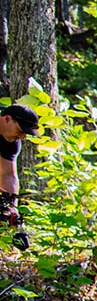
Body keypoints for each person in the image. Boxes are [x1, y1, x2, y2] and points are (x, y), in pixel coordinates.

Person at [0, 104, 39, 245]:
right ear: (7, 119)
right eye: (20, 130)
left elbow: (8, 175)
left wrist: (10, 208)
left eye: (25, 134)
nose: (22, 137)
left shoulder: (11, 142)